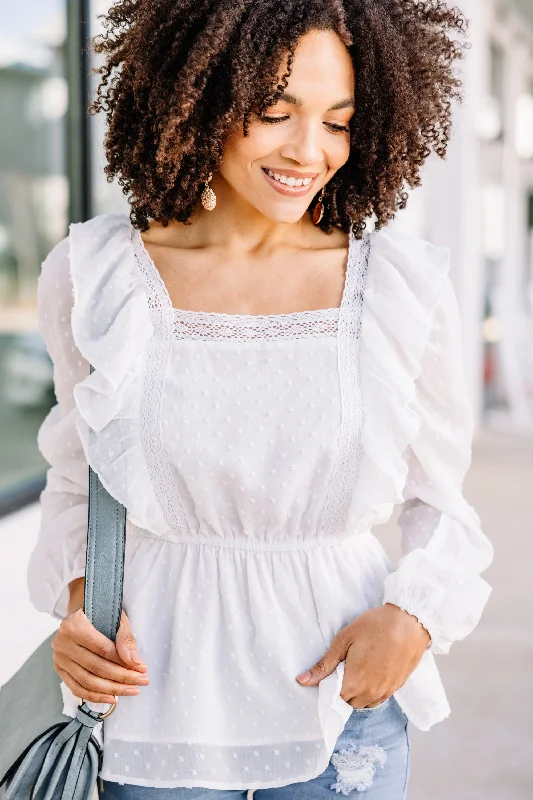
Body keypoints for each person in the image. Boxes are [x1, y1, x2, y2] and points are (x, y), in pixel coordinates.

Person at [27, 1, 494, 798]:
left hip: (343, 695)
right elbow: (78, 481)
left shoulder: (398, 290)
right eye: (274, 113)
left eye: (339, 123)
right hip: (152, 699)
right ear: (198, 97)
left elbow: (441, 503)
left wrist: (413, 615)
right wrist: (81, 605)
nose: (308, 152)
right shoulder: (95, 275)